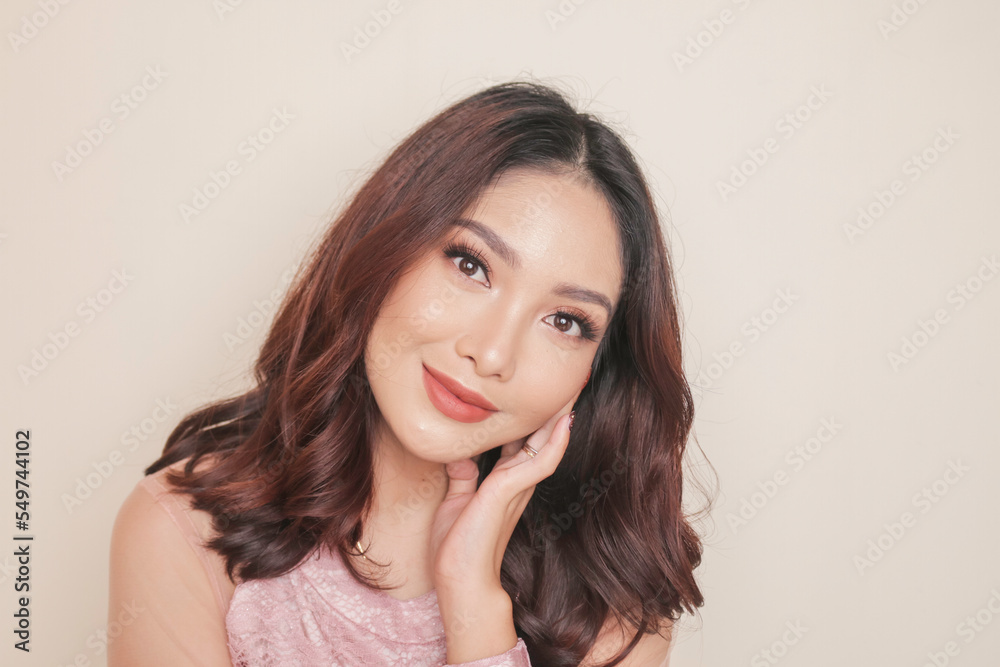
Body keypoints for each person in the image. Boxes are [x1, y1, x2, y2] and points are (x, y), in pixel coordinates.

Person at [108, 80, 707, 666]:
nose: (492, 354)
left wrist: (474, 602)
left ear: (596, 372)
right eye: (470, 265)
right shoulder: (187, 535)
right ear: (385, 249)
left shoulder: (614, 610)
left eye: (565, 321)